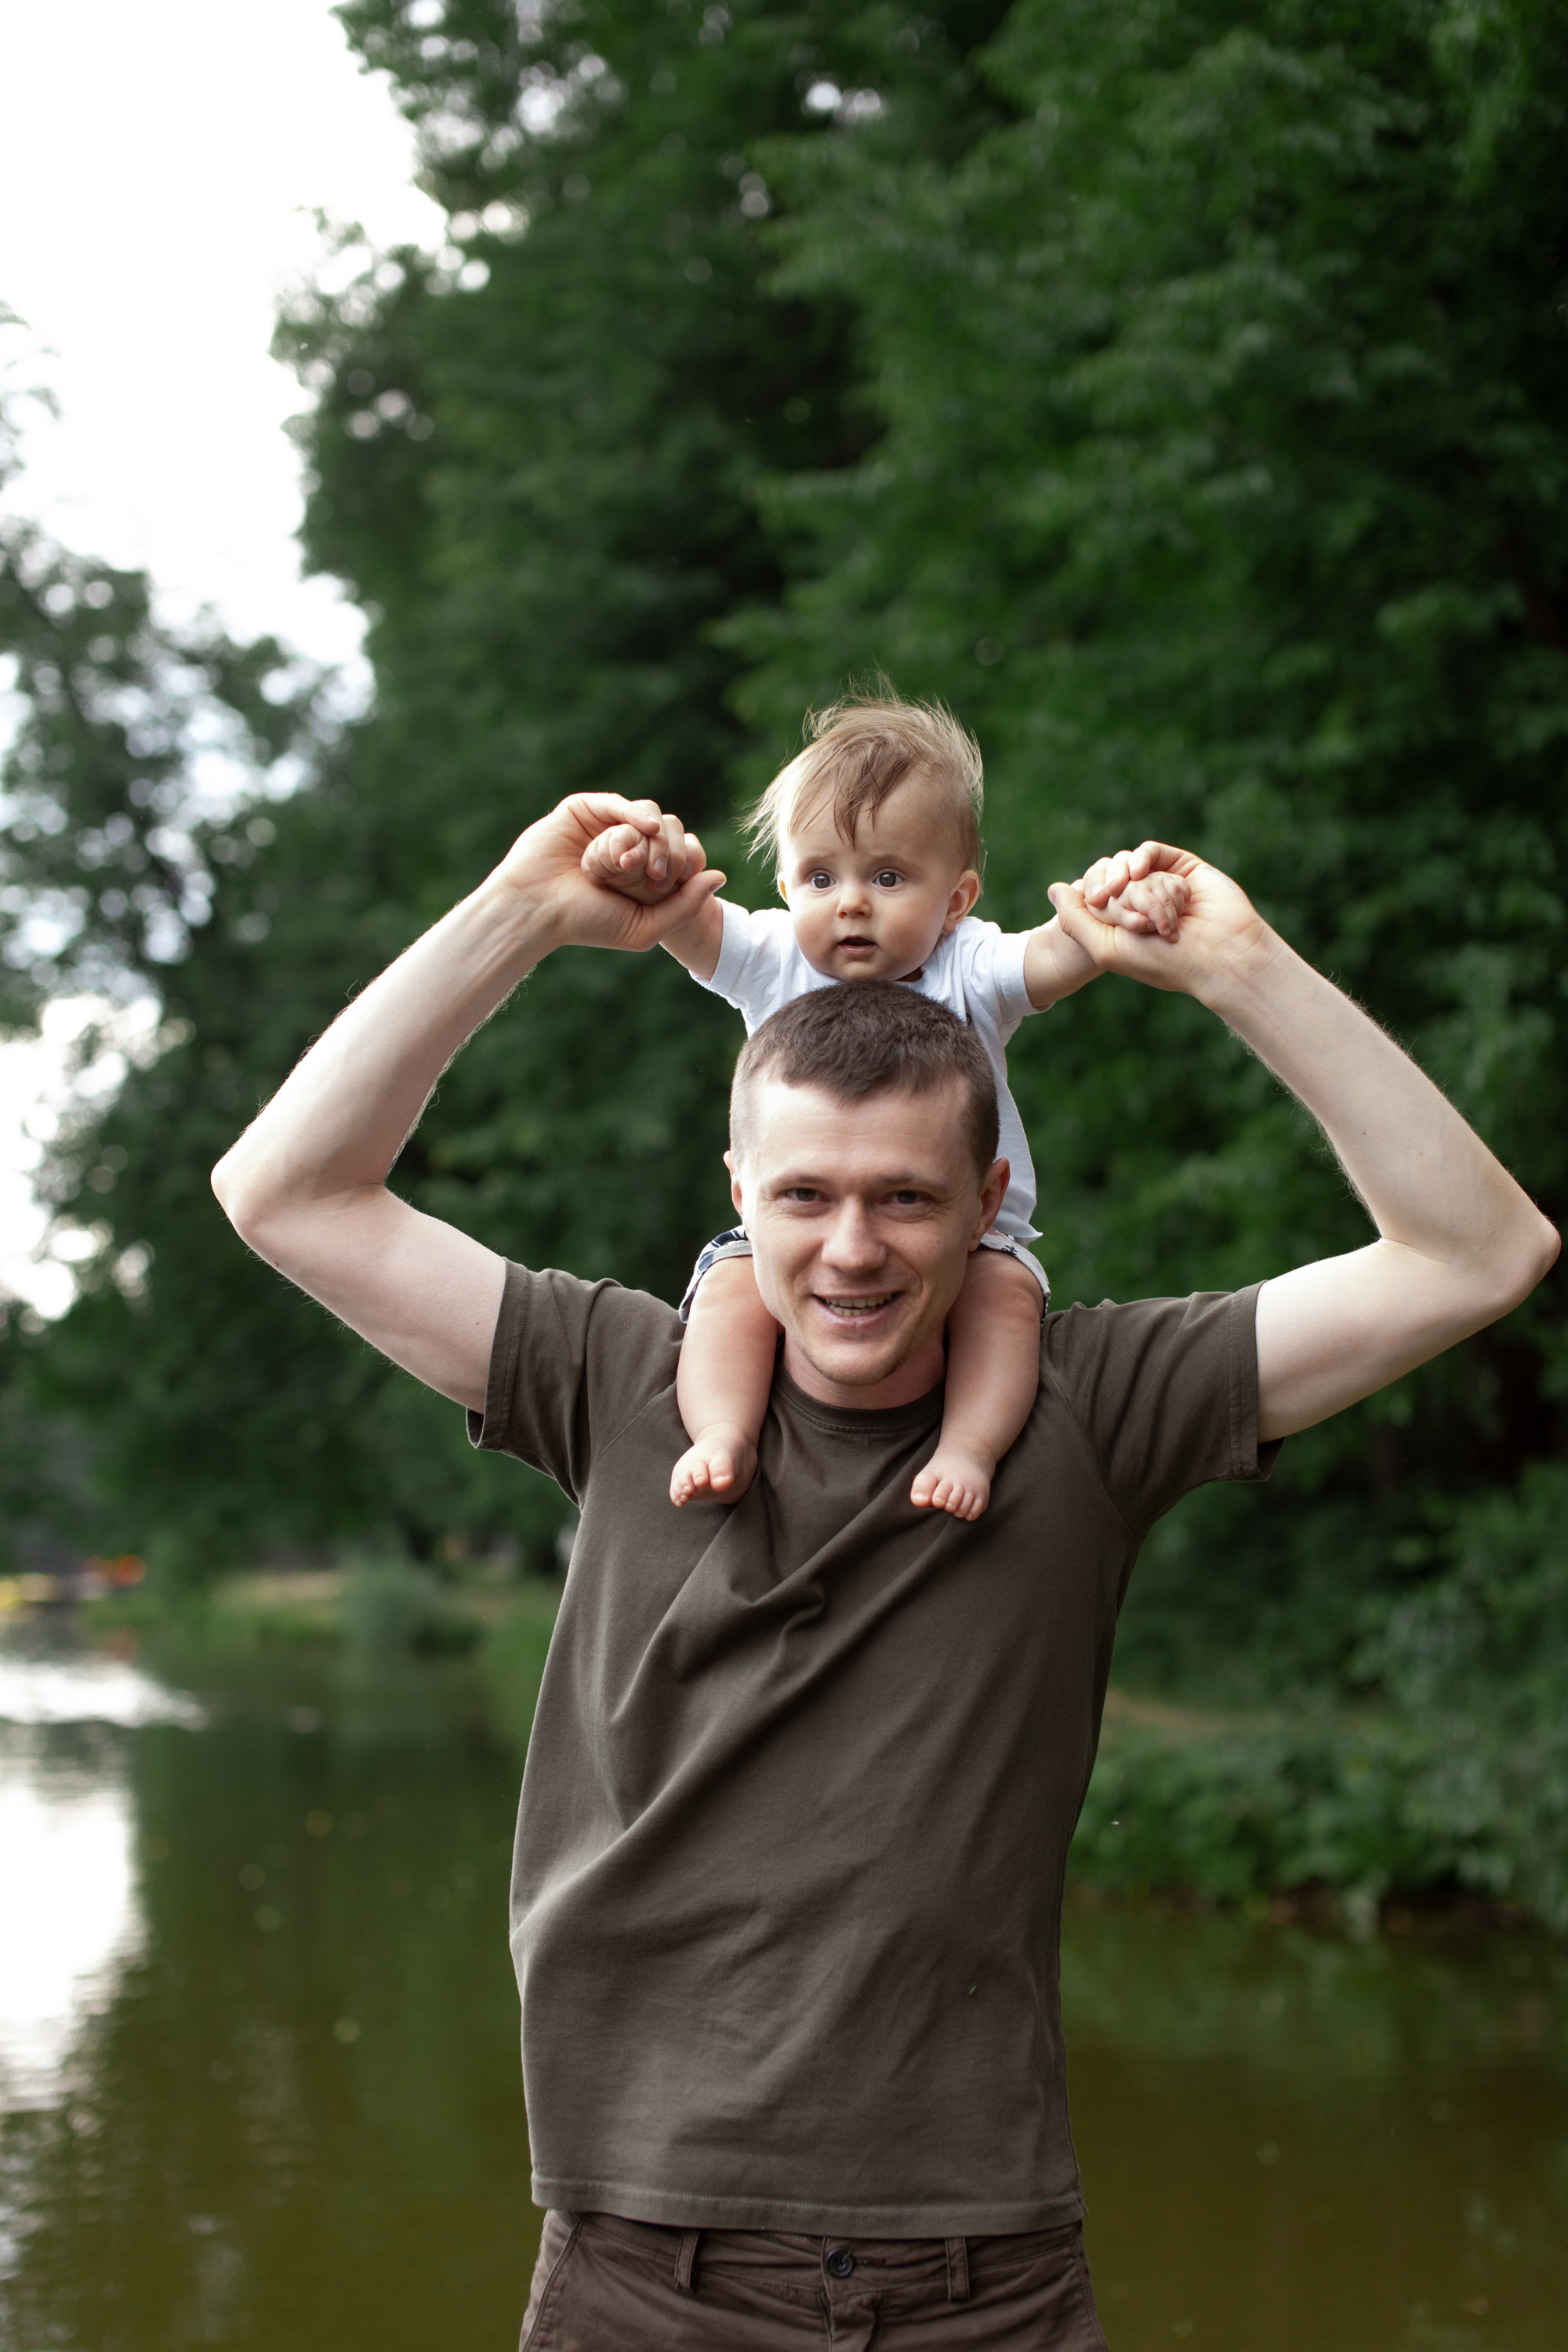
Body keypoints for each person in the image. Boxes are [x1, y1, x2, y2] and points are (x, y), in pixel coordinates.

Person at [210, 790, 1555, 2352]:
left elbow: (1479, 1254)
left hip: (984, 2277)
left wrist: (1243, 968)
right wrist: (517, 913)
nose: (851, 1249)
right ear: (741, 1199)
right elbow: (285, 1194)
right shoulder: (617, 1378)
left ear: (990, 1207)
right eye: (805, 1196)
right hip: (646, 2272)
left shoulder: (1087, 1411)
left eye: (905, 1198)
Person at [581, 693, 1189, 1522]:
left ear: (956, 899)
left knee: (1003, 1304)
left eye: (888, 876)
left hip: (969, 1232)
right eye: (819, 877)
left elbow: (1061, 950)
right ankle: (722, 1432)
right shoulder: (769, 956)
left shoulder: (966, 966)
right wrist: (638, 864)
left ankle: (968, 1449)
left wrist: (1117, 909)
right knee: (727, 1289)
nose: (851, 903)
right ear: (786, 885)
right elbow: (677, 916)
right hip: (793, 1226)